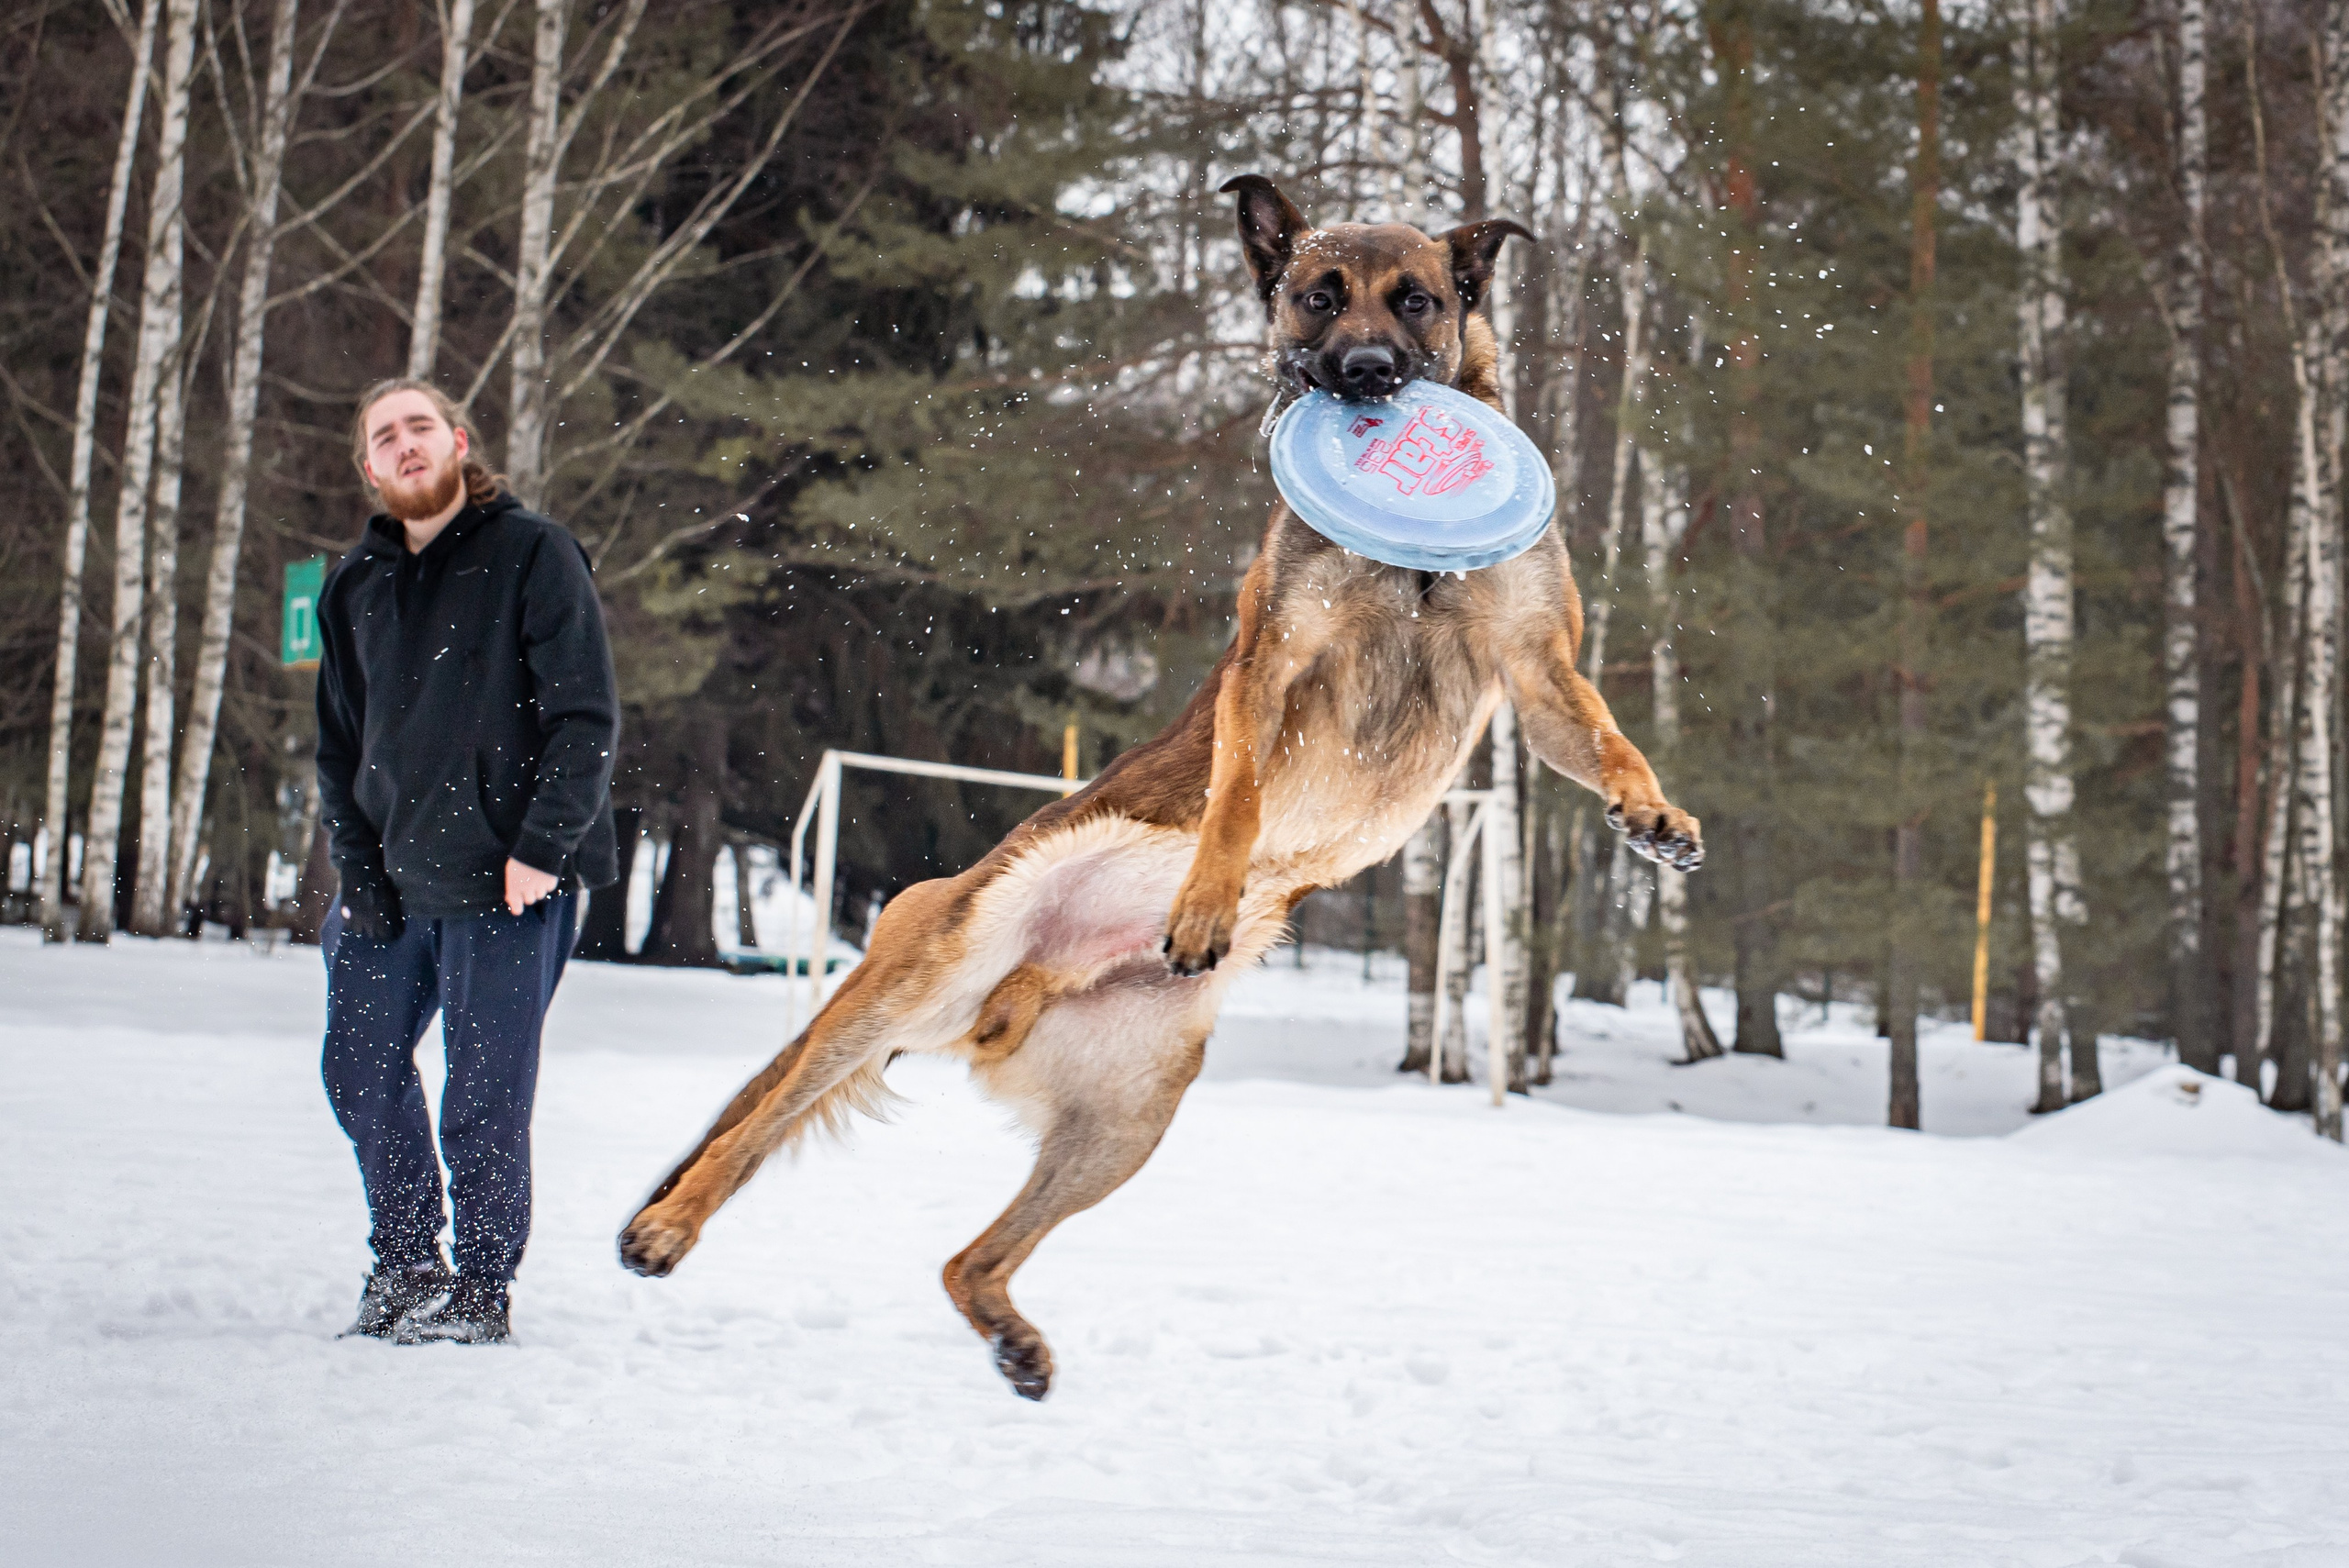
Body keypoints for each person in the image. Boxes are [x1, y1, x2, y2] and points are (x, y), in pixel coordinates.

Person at [316, 379, 619, 1344]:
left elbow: (585, 717)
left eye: (419, 427)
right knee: (359, 1069)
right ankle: (406, 1261)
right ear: (369, 467)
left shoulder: (533, 553)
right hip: (390, 886)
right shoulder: (354, 585)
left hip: (506, 881)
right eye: (383, 437)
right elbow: (337, 744)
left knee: (483, 1096)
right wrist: (355, 869)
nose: (404, 445)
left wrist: (542, 848)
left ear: (455, 441)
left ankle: (481, 1288)